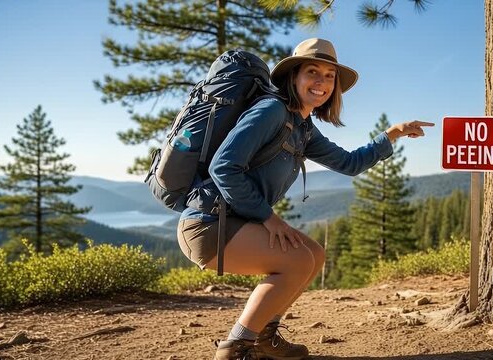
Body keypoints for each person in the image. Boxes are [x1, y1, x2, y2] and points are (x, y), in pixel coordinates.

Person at [176, 38, 435, 360]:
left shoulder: (302, 127)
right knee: (297, 261)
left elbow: (349, 163)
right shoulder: (271, 111)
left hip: (234, 222)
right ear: (293, 77)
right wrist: (270, 219)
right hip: (209, 225)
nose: (321, 82)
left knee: (313, 254)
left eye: (329, 76)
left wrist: (392, 134)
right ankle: (235, 348)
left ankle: (264, 338)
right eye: (312, 71)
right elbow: (224, 167)